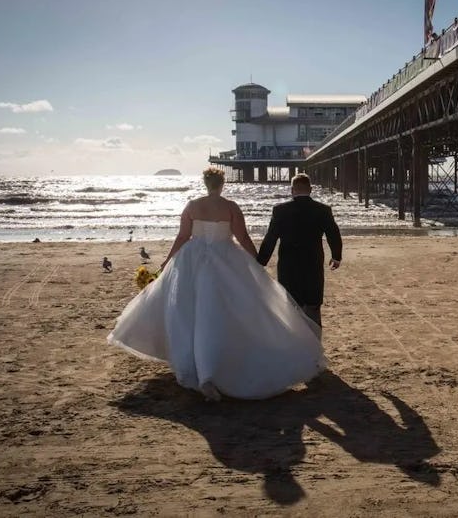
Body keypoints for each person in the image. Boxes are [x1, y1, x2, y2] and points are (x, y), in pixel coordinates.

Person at [107, 167, 325, 401]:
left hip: (193, 259)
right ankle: (213, 367)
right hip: (225, 257)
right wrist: (257, 260)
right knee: (224, 311)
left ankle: (200, 367)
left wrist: (167, 261)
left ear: (205, 183)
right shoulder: (230, 207)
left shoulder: (192, 206)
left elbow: (182, 237)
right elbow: (242, 237)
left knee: (190, 311)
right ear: (222, 185)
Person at [257, 173, 342, 327]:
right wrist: (336, 256)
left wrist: (261, 261)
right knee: (313, 304)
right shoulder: (323, 210)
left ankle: (295, 342)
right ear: (310, 189)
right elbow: (333, 234)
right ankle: (314, 342)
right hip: (313, 262)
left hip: (288, 264)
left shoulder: (280, 210)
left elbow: (271, 238)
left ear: (292, 190)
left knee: (290, 304)